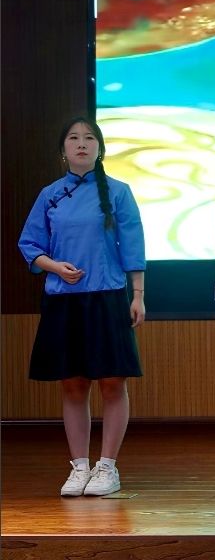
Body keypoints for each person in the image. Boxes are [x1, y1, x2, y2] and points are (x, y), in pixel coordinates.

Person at [18, 117, 146, 497]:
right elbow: (30, 245)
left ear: (100, 148)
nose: (82, 143)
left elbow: (133, 244)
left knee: (112, 381)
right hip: (64, 299)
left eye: (90, 138)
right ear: (63, 150)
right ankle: (79, 467)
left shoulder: (119, 192)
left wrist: (138, 294)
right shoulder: (50, 194)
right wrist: (56, 267)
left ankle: (107, 467)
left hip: (108, 296)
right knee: (73, 384)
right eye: (74, 138)